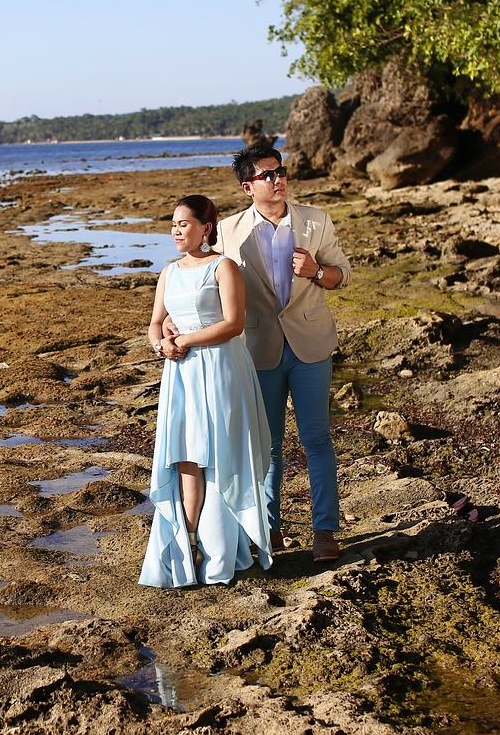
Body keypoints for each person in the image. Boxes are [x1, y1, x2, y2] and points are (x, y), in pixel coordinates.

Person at [213, 143, 351, 562]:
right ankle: (268, 531)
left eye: (281, 171)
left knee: (317, 438)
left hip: (311, 344)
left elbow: (342, 276)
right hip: (258, 349)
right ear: (247, 187)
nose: (278, 179)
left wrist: (316, 271)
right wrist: (170, 320)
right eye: (267, 175)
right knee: (267, 446)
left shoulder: (316, 221)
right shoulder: (227, 231)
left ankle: (325, 531)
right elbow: (209, 284)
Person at [139, 194, 273, 588]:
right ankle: (189, 542)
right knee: (185, 455)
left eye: (183, 223)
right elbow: (155, 322)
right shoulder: (169, 272)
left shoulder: (223, 266)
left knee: (219, 452)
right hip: (181, 371)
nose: (176, 230)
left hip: (221, 368)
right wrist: (161, 345)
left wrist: (187, 340)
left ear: (206, 228)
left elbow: (234, 323)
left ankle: (223, 552)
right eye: (173, 224)